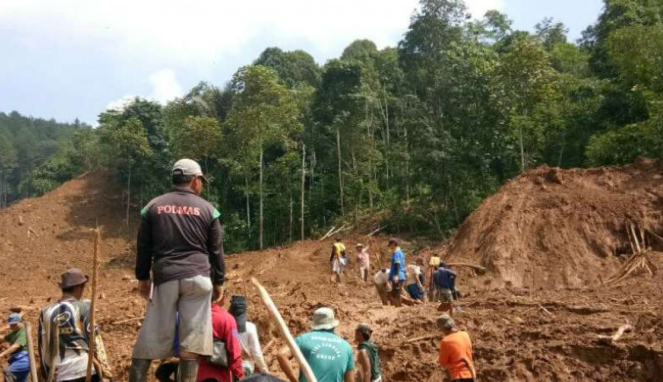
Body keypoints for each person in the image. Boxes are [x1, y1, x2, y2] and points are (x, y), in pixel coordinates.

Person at [129, 159, 226, 382]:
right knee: (191, 342)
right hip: (199, 279)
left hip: (166, 278)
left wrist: (142, 278)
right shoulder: (209, 210)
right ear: (194, 181)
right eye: (200, 180)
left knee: (151, 334)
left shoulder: (153, 207)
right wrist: (219, 281)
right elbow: (216, 250)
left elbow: (143, 246)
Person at [38, 268, 113, 382]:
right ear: (79, 287)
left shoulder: (45, 312)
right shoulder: (84, 307)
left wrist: (46, 374)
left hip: (60, 375)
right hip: (84, 370)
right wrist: (106, 372)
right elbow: (95, 341)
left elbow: (43, 347)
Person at [277, 308, 354, 382]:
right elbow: (350, 380)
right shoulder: (346, 346)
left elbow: (281, 355)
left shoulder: (303, 339)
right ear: (333, 325)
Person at [196, 288, 244, 382]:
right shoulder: (228, 320)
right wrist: (241, 376)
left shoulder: (192, 317)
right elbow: (235, 353)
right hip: (220, 377)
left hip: (196, 375)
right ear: (220, 297)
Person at [228, 295, 268, 377]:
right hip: (244, 369)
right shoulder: (250, 327)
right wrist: (265, 371)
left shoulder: (226, 326)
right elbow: (256, 353)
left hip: (227, 369)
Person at [437, 315, 476, 382]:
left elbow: (443, 362)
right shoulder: (465, 335)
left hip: (458, 376)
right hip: (471, 374)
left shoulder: (446, 341)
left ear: (442, 328)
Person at [1, 313, 30, 382]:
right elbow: (2, 339)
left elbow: (16, 346)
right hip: (15, 360)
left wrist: (1, 354)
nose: (13, 327)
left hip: (23, 359)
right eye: (11, 325)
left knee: (8, 372)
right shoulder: (14, 332)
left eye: (15, 324)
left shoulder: (24, 331)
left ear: (20, 322)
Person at [387, 238, 406, 307]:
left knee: (396, 293)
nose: (390, 247)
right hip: (399, 275)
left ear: (393, 244)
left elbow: (397, 264)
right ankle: (398, 306)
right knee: (396, 292)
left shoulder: (396, 253)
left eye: (390, 245)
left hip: (398, 275)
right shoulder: (400, 252)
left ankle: (398, 307)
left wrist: (396, 275)